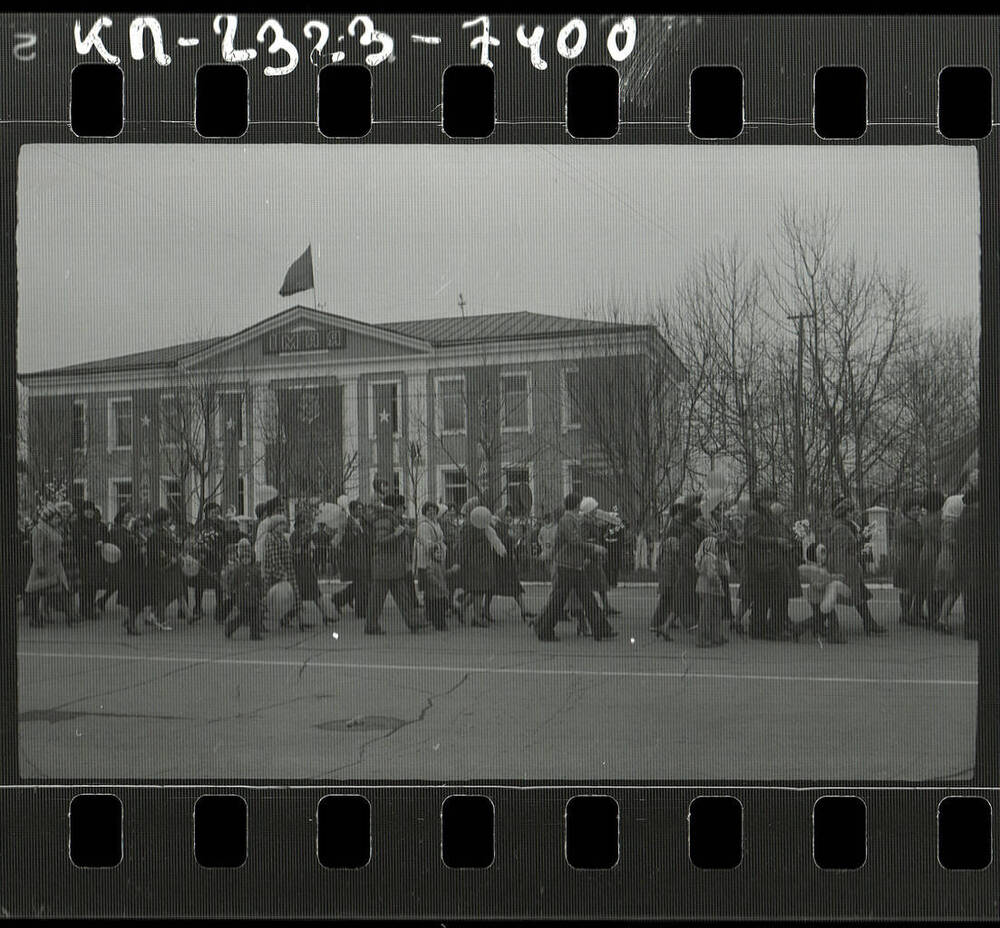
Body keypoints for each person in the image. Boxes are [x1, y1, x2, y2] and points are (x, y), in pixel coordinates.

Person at [533, 493, 618, 643]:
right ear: (575, 504)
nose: (580, 506)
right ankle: (543, 628)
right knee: (559, 601)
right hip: (566, 567)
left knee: (588, 598)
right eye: (579, 503)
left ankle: (602, 629)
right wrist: (595, 548)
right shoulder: (566, 520)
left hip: (574, 566)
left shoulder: (573, 519)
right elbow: (574, 541)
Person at [366, 493, 428, 635]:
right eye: (401, 506)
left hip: (392, 565)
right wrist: (396, 534)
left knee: (403, 596)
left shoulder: (392, 519)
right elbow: (380, 541)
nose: (404, 509)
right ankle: (371, 625)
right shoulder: (383, 520)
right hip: (384, 565)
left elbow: (404, 533)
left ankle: (413, 622)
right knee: (378, 599)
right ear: (394, 507)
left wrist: (410, 531)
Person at [826, 495, 887, 637]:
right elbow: (840, 551)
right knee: (837, 595)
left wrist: (863, 539)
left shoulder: (844, 526)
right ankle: (818, 624)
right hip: (845, 566)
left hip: (850, 565)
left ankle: (869, 623)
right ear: (844, 512)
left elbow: (849, 545)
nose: (853, 514)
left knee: (858, 594)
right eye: (850, 511)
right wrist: (842, 572)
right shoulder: (841, 528)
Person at [743, 488, 797, 640]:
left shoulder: (766, 515)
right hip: (762, 562)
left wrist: (780, 541)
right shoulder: (755, 516)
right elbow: (753, 538)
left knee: (770, 595)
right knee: (763, 597)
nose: (769, 503)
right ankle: (759, 629)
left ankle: (768, 627)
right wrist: (776, 541)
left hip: (770, 561)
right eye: (767, 500)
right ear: (761, 501)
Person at [24, 503, 79, 627]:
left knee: (63, 589)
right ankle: (35, 618)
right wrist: (40, 564)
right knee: (36, 591)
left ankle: (70, 616)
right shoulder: (39, 529)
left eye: (58, 517)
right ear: (49, 518)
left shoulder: (55, 529)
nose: (58, 520)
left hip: (56, 564)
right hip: (43, 564)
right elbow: (36, 549)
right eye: (55, 517)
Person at [934, 474, 974, 633]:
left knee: (953, 591)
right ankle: (942, 619)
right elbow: (950, 541)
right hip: (950, 560)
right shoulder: (950, 524)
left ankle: (941, 618)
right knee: (954, 591)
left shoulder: (946, 521)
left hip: (947, 558)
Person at [789, 542, 849, 644]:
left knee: (822, 618)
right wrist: (831, 579)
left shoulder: (820, 568)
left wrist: (835, 577)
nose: (824, 556)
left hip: (822, 598)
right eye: (822, 554)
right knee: (822, 618)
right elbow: (818, 585)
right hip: (818, 598)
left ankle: (826, 633)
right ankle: (798, 629)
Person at [483, 509, 536, 623]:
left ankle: (524, 610)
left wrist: (518, 537)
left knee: (515, 586)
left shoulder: (507, 528)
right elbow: (501, 543)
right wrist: (514, 537)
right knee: (491, 588)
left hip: (508, 563)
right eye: (506, 516)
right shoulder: (498, 529)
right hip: (499, 562)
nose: (509, 518)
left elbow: (512, 544)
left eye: (510, 515)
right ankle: (484, 610)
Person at [454, 505, 501, 628]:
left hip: (484, 563)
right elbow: (464, 546)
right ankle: (477, 617)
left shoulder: (484, 526)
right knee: (478, 590)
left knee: (479, 589)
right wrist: (460, 562)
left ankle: (463, 608)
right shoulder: (469, 527)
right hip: (475, 563)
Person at [261, 512, 309, 630]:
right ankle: (259, 623)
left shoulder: (282, 538)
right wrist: (281, 574)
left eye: (284, 524)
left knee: (294, 596)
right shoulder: (271, 538)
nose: (283, 527)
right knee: (268, 599)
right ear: (275, 526)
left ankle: (300, 622)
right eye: (280, 524)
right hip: (275, 574)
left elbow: (287, 553)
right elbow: (273, 558)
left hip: (288, 571)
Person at [290, 511, 334, 625]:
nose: (307, 524)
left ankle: (325, 615)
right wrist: (305, 543)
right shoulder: (296, 535)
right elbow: (297, 551)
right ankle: (297, 620)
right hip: (300, 568)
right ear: (301, 523)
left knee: (315, 593)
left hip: (306, 567)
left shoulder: (303, 534)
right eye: (305, 522)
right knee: (299, 594)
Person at [954, 474, 984, 641]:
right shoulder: (977, 516)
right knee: (978, 595)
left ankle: (970, 627)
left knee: (969, 596)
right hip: (976, 560)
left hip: (963, 559)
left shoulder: (963, 516)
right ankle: (976, 628)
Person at [579, 497, 619, 617]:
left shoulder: (591, 521)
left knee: (600, 582)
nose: (596, 510)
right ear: (589, 509)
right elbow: (584, 540)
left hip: (593, 556)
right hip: (589, 557)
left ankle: (606, 606)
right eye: (594, 509)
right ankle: (589, 609)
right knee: (591, 583)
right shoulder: (585, 523)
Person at [332, 500, 372, 620]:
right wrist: (353, 533)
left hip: (364, 556)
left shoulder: (364, 521)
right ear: (352, 510)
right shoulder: (346, 523)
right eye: (358, 509)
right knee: (361, 586)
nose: (360, 511)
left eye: (361, 509)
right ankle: (361, 610)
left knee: (359, 585)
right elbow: (343, 541)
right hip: (353, 559)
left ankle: (338, 599)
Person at [891, 493, 926, 626]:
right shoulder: (908, 525)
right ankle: (906, 614)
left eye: (918, 509)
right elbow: (921, 538)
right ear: (906, 510)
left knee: (910, 587)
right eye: (913, 509)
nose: (917, 512)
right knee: (909, 587)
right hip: (908, 559)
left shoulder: (909, 522)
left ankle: (907, 614)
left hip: (909, 557)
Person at [71, 499, 106, 620]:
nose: (89, 513)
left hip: (95, 559)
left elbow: (102, 536)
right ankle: (83, 609)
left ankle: (90, 606)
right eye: (87, 510)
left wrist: (101, 542)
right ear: (83, 511)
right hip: (83, 559)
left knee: (93, 584)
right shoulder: (76, 525)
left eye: (91, 510)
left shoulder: (95, 524)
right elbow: (77, 542)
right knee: (84, 585)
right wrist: (93, 544)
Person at [224, 538, 265, 640]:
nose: (246, 560)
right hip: (242, 598)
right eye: (244, 558)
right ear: (241, 559)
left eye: (248, 558)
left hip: (253, 596)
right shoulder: (238, 569)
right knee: (243, 617)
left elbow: (259, 583)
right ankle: (230, 628)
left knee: (255, 616)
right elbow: (233, 582)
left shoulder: (255, 570)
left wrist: (261, 594)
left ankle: (254, 634)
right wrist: (229, 592)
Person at [695, 532, 730, 648]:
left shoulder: (712, 557)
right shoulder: (708, 558)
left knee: (716, 613)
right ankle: (702, 638)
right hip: (708, 589)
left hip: (710, 589)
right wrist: (718, 584)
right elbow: (712, 575)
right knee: (706, 615)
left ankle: (715, 635)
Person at [650, 535, 680, 640]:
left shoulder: (670, 557)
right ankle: (656, 624)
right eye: (675, 545)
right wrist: (670, 586)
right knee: (666, 605)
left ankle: (660, 623)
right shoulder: (668, 558)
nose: (678, 547)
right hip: (668, 585)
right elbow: (668, 575)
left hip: (668, 585)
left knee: (665, 605)